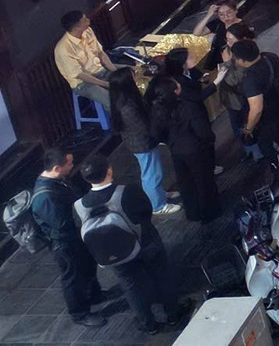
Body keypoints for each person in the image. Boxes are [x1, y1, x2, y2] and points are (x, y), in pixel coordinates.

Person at [75, 154, 184, 334]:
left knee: (131, 287)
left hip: (113, 253)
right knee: (161, 275)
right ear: (109, 170)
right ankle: (173, 314)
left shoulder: (79, 205)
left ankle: (148, 324)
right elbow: (146, 211)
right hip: (145, 243)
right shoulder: (127, 191)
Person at [30, 145, 106, 327]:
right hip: (65, 244)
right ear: (57, 168)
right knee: (73, 277)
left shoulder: (58, 180)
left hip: (77, 237)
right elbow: (61, 225)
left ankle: (94, 294)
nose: (72, 166)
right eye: (69, 163)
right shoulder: (45, 197)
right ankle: (79, 313)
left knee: (88, 266)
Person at [152, 68, 220, 224]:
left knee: (186, 183)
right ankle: (210, 212)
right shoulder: (188, 107)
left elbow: (156, 133)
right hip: (196, 149)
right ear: (176, 91)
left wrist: (170, 142)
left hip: (176, 151)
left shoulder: (158, 109)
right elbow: (203, 131)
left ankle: (193, 212)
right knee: (204, 181)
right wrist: (208, 141)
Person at [106, 69, 176, 214]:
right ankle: (158, 205)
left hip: (142, 142)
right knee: (151, 174)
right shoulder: (127, 107)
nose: (136, 77)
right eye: (133, 76)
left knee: (153, 171)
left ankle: (160, 194)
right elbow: (142, 127)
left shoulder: (124, 99)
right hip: (142, 144)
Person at [231, 39, 279, 154]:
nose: (235, 61)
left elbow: (256, 109)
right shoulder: (270, 57)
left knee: (271, 148)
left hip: (269, 119)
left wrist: (248, 129)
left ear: (242, 60)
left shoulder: (250, 79)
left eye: (235, 58)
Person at [55, 9, 115, 110]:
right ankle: (122, 123)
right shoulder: (63, 49)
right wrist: (106, 84)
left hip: (101, 70)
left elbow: (101, 53)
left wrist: (116, 72)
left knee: (133, 72)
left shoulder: (88, 31)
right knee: (112, 100)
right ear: (77, 27)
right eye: (85, 20)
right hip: (83, 83)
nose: (88, 20)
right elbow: (80, 75)